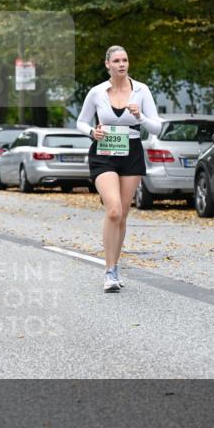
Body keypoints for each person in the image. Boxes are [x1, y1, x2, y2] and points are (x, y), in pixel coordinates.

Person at [76, 45, 162, 292]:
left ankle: (115, 267)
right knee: (113, 210)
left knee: (123, 213)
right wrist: (93, 131)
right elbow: (81, 122)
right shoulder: (97, 92)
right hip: (103, 153)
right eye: (116, 61)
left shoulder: (142, 90)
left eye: (125, 60)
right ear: (108, 65)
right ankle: (108, 270)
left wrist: (141, 118)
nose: (122, 64)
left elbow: (157, 127)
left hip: (131, 152)